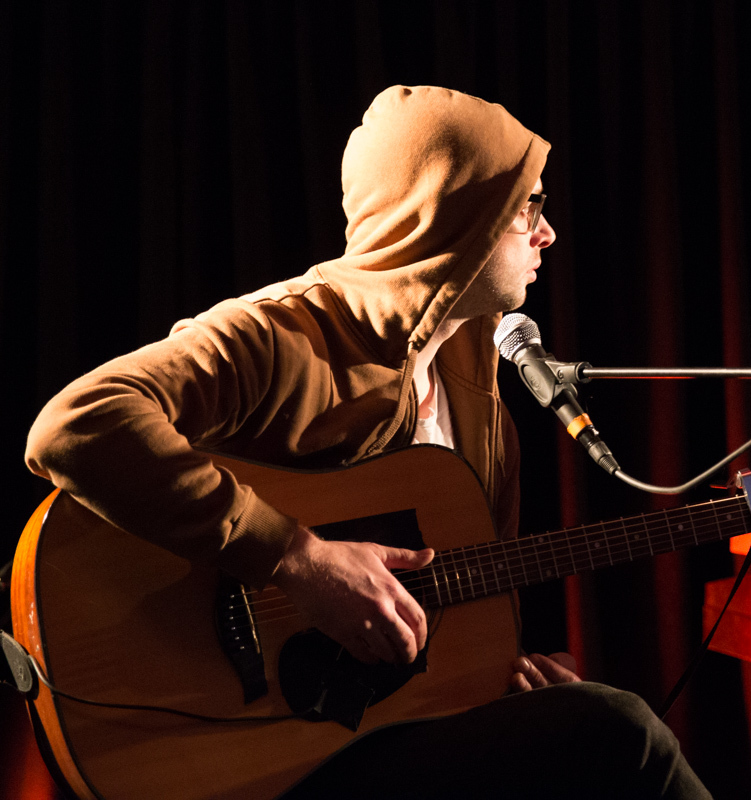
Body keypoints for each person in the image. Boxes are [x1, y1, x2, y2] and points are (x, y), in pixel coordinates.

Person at [26, 85, 711, 799]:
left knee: (585, 736)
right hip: (238, 755)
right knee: (620, 729)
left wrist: (508, 678)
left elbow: (452, 616)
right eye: (527, 208)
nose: (547, 234)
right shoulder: (278, 337)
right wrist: (297, 558)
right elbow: (76, 424)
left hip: (364, 735)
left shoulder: (483, 408)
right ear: (453, 219)